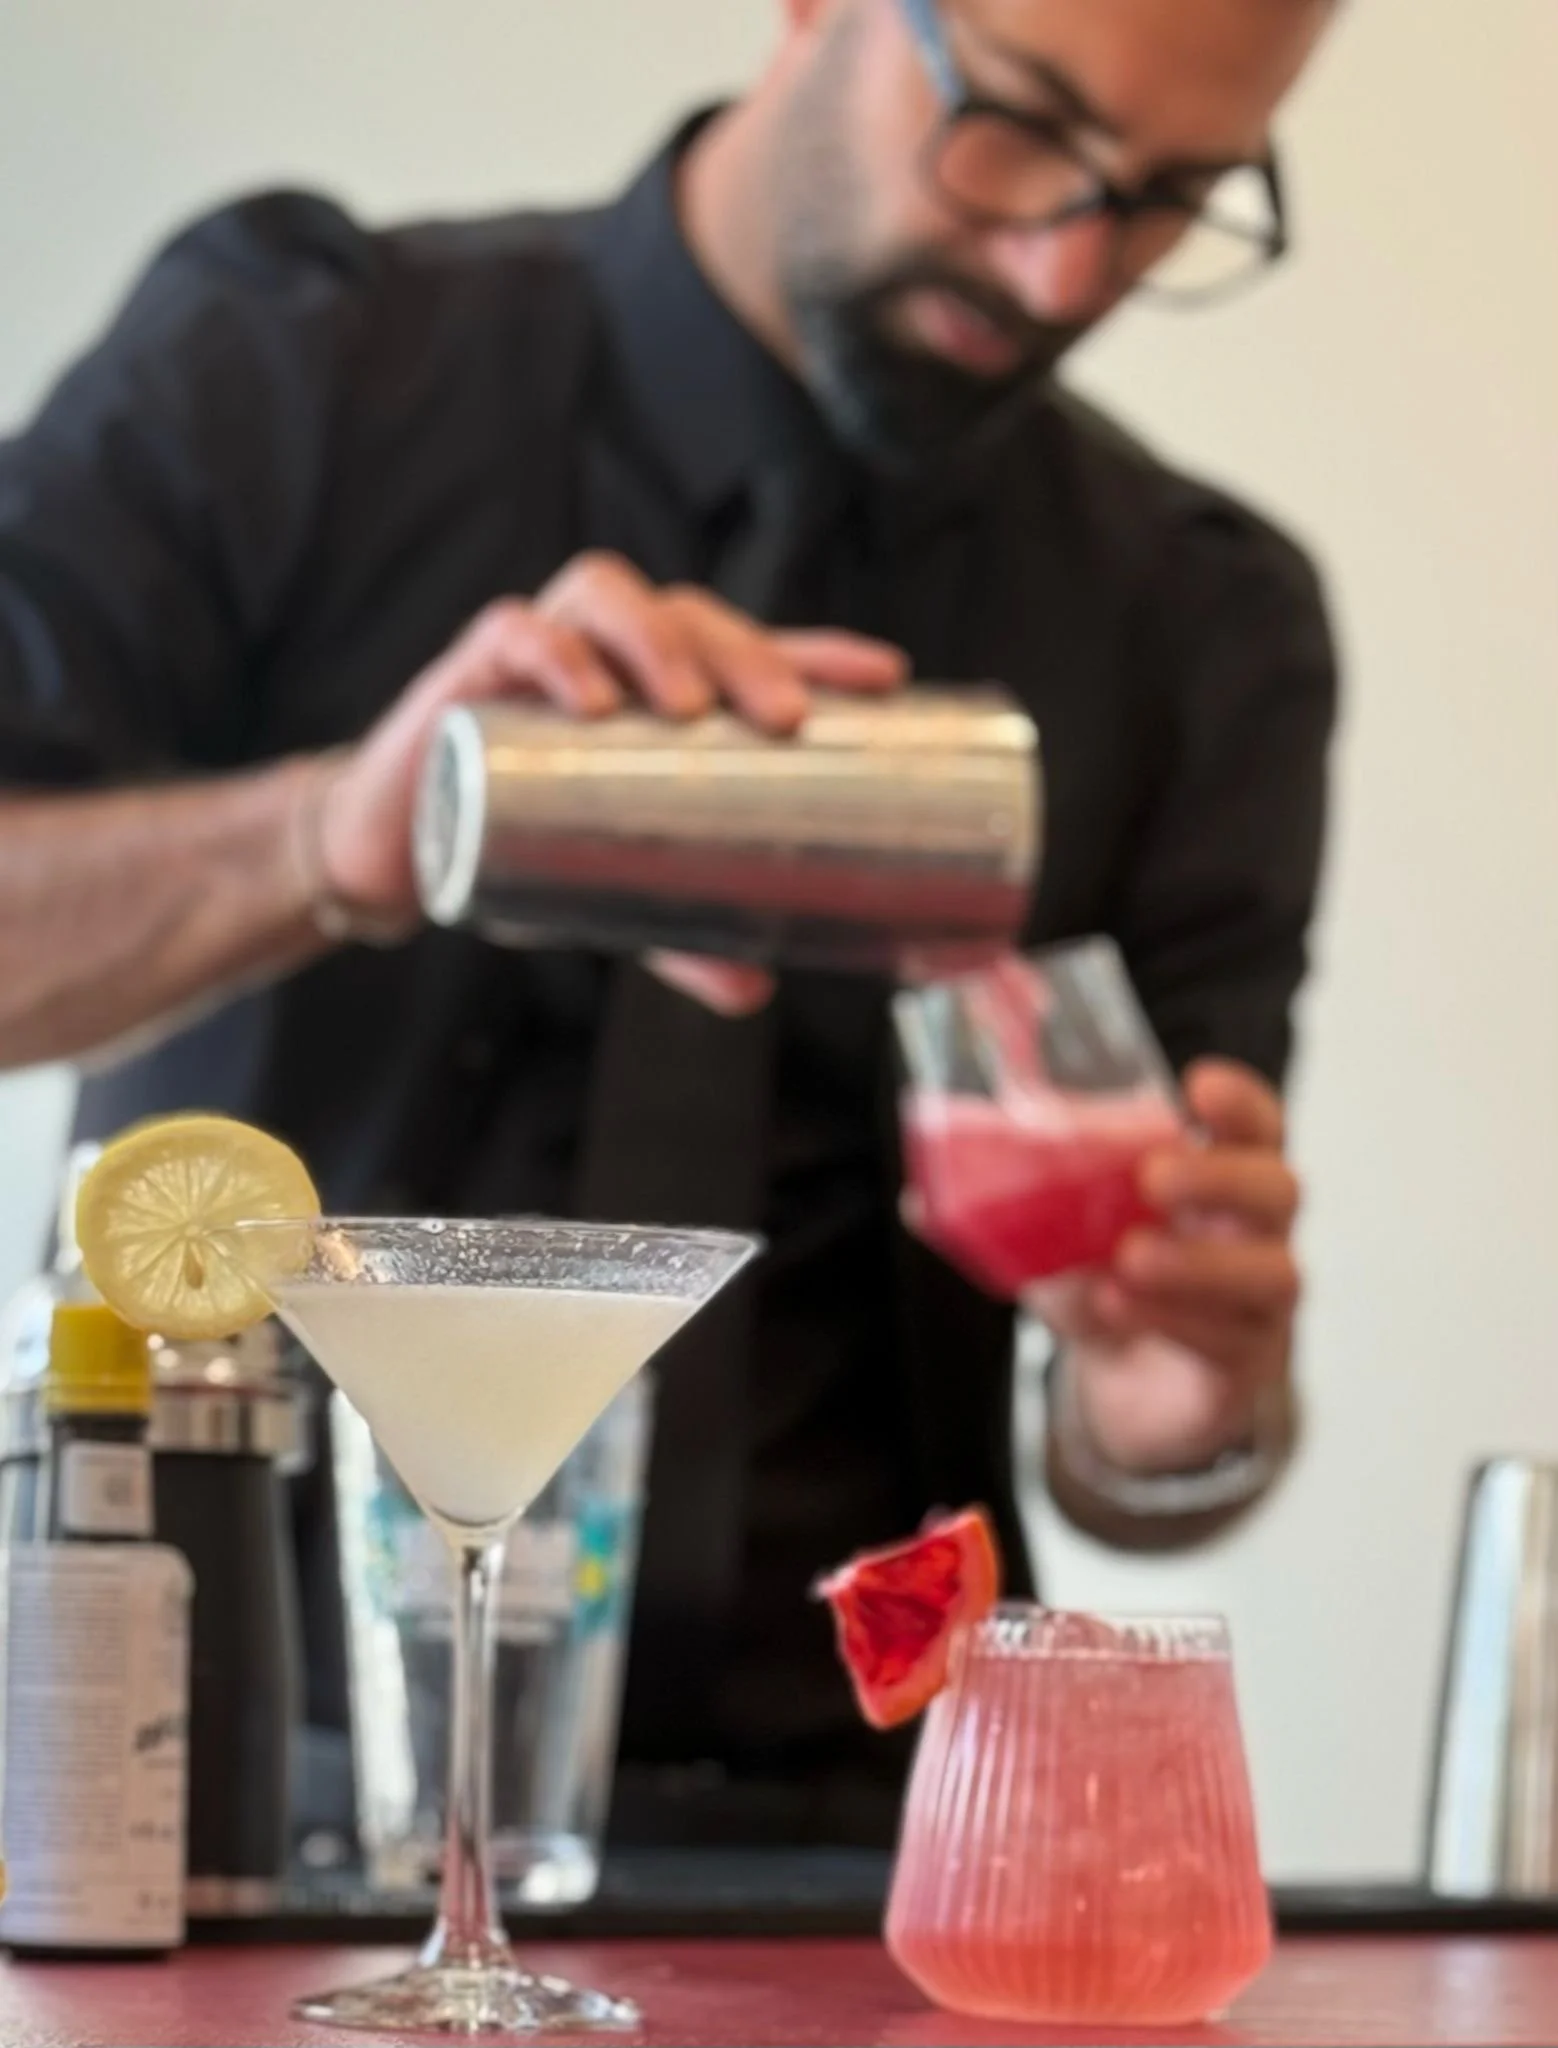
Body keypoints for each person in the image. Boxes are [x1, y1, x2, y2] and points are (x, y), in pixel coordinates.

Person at [0, 0, 1338, 1845]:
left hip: (870, 1839)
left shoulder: (1199, 619)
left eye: (1170, 196)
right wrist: (331, 836)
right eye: (1015, 126)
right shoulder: (301, 366)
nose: (1059, 260)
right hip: (213, 1792)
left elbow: (1143, 1447)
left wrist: (1175, 1396)